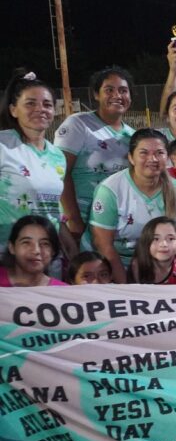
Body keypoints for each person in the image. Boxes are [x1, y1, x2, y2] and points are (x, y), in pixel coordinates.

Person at [85, 129, 176, 283]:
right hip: (113, 263)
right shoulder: (110, 190)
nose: (152, 159)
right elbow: (103, 245)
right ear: (131, 158)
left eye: (159, 153)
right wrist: (128, 288)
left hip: (156, 264)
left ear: (167, 158)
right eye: (144, 153)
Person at [55, 66, 135, 243]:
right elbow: (60, 172)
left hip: (116, 225)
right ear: (96, 94)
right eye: (109, 90)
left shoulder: (133, 136)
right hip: (81, 222)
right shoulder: (78, 124)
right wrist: (74, 219)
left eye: (123, 90)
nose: (117, 95)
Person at [0, 71, 67, 251]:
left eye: (47, 104)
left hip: (46, 256)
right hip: (8, 255)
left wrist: (68, 245)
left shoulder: (57, 156)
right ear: (13, 110)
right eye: (30, 103)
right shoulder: (3, 145)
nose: (40, 109)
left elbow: (53, 209)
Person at [1, 215, 67, 287]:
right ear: (12, 248)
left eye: (45, 243)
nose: (36, 251)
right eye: (26, 242)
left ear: (53, 251)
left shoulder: (62, 291)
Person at [130, 216, 176, 284]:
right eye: (156, 239)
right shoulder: (138, 264)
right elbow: (138, 290)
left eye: (171, 239)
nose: (163, 244)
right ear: (146, 243)